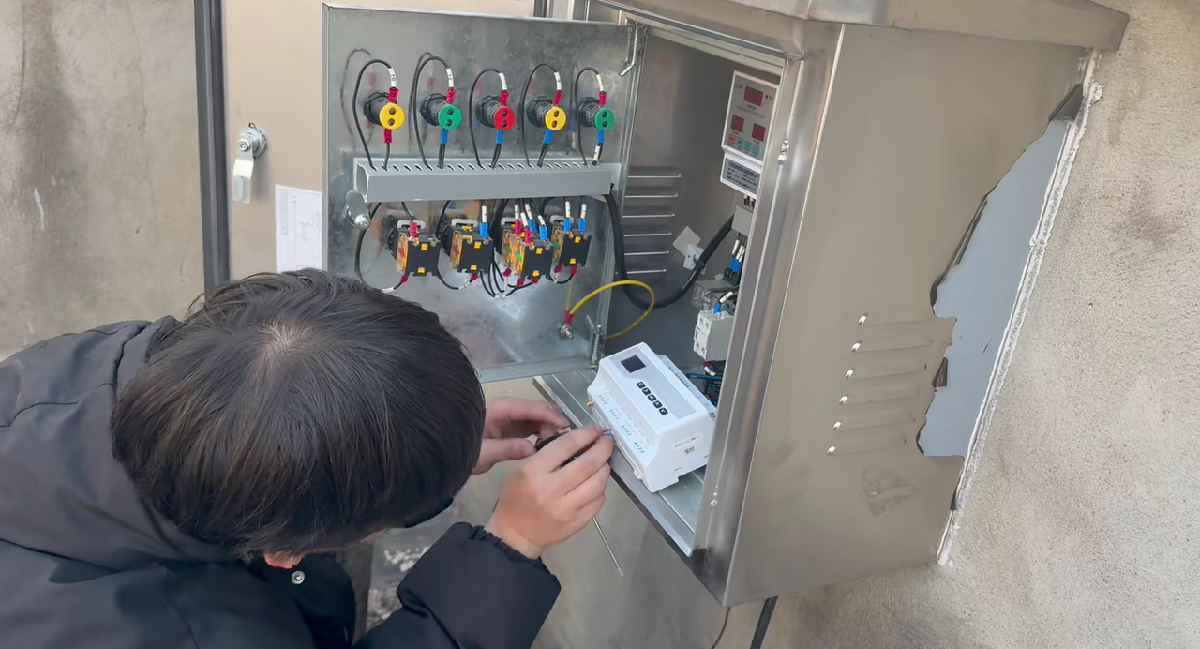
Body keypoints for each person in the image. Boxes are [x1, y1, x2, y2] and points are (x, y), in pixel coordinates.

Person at [0, 269, 613, 649]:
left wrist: (431, 444)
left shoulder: (98, 374)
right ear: (284, 552)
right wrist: (509, 548)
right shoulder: (172, 632)